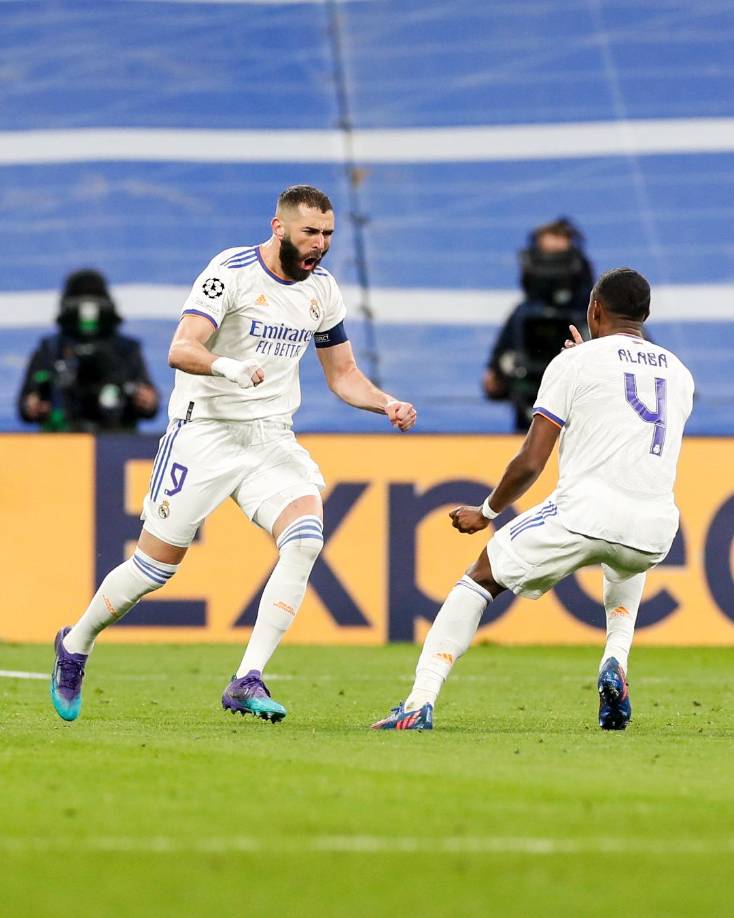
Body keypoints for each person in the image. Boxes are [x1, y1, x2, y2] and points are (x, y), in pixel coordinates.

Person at [50, 184, 416, 724]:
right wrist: (231, 368)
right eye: (310, 232)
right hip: (206, 433)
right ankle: (75, 643)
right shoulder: (232, 272)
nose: (320, 244)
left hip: (269, 437)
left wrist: (386, 403)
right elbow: (181, 347)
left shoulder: (324, 291)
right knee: (153, 568)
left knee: (306, 538)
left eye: (328, 234)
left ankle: (247, 678)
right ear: (279, 228)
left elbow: (342, 375)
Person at [373, 267, 694, 732]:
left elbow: (530, 460)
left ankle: (419, 701)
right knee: (625, 562)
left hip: (585, 512)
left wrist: (486, 512)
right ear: (645, 315)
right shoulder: (679, 373)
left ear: (594, 310)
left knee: (481, 577)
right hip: (656, 527)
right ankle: (615, 661)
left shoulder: (574, 363)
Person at [482, 218, 594, 431]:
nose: (552, 268)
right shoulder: (522, 315)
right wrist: (505, 375)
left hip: (586, 427)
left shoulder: (598, 314)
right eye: (546, 257)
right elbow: (492, 384)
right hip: (531, 425)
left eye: (559, 258)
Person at [17, 269, 159, 431]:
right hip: (61, 438)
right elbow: (26, 404)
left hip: (116, 436)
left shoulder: (126, 349)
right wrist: (34, 406)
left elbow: (149, 402)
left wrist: (145, 400)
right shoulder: (51, 348)